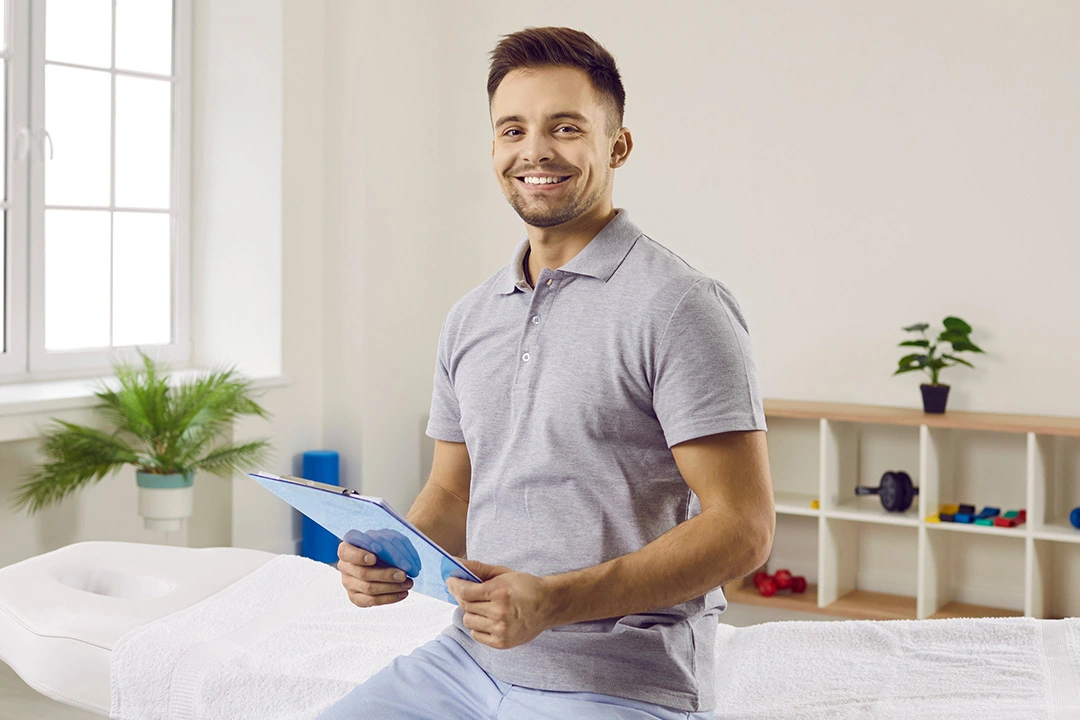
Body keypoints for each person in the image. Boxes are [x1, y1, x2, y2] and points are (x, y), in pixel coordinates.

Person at [320, 26, 774, 720]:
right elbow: (451, 490)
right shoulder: (470, 317)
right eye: (512, 130)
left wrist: (556, 601)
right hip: (464, 662)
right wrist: (393, 553)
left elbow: (743, 527)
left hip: (618, 679)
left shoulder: (682, 307)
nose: (534, 151)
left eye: (565, 127)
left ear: (617, 145)